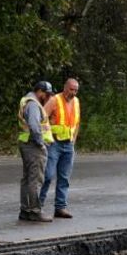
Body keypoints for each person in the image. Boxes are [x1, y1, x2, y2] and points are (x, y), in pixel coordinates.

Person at [40, 78, 81, 218]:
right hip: (54, 144)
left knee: (64, 177)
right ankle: (37, 206)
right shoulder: (55, 100)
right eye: (71, 89)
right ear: (65, 88)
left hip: (68, 145)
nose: (73, 93)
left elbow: (77, 122)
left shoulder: (76, 102)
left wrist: (74, 139)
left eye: (76, 90)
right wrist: (47, 138)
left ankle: (60, 207)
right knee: (48, 175)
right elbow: (42, 118)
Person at [17, 81, 55, 222]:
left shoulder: (27, 101)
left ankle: (25, 210)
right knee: (35, 179)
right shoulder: (33, 104)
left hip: (27, 143)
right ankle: (34, 211)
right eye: (46, 94)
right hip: (34, 146)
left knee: (27, 179)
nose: (48, 97)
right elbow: (34, 125)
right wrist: (41, 143)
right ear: (39, 91)